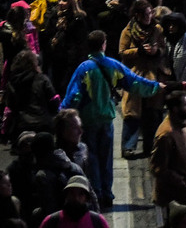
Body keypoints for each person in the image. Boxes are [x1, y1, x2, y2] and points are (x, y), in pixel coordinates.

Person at [61, 30, 162, 210]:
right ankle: (108, 195)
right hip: (107, 120)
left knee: (91, 160)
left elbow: (74, 95)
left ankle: (97, 194)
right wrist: (155, 87)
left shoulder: (83, 68)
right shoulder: (112, 65)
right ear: (103, 45)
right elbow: (134, 82)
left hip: (88, 122)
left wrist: (62, 114)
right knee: (106, 159)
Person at [118, 0, 167, 159]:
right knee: (132, 113)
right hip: (135, 75)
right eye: (146, 14)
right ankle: (128, 146)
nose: (149, 16)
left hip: (153, 74)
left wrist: (156, 51)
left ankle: (151, 145)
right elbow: (123, 53)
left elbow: (163, 49)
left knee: (152, 113)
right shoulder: (128, 31)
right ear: (138, 15)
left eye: (151, 13)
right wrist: (139, 51)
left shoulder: (157, 29)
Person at [151, 90, 186, 212]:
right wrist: (181, 183)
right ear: (175, 109)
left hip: (183, 194)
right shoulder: (166, 134)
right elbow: (158, 168)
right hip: (171, 198)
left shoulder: (183, 125)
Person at [38, 175, 110, 228]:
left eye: (81, 194)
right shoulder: (51, 221)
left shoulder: (97, 221)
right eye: (72, 193)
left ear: (86, 198)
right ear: (66, 195)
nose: (76, 198)